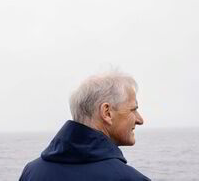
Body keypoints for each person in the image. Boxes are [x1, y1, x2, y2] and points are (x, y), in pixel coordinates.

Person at [19, 71, 151, 181]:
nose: (140, 120)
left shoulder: (32, 172)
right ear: (107, 113)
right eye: (133, 109)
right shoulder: (130, 179)